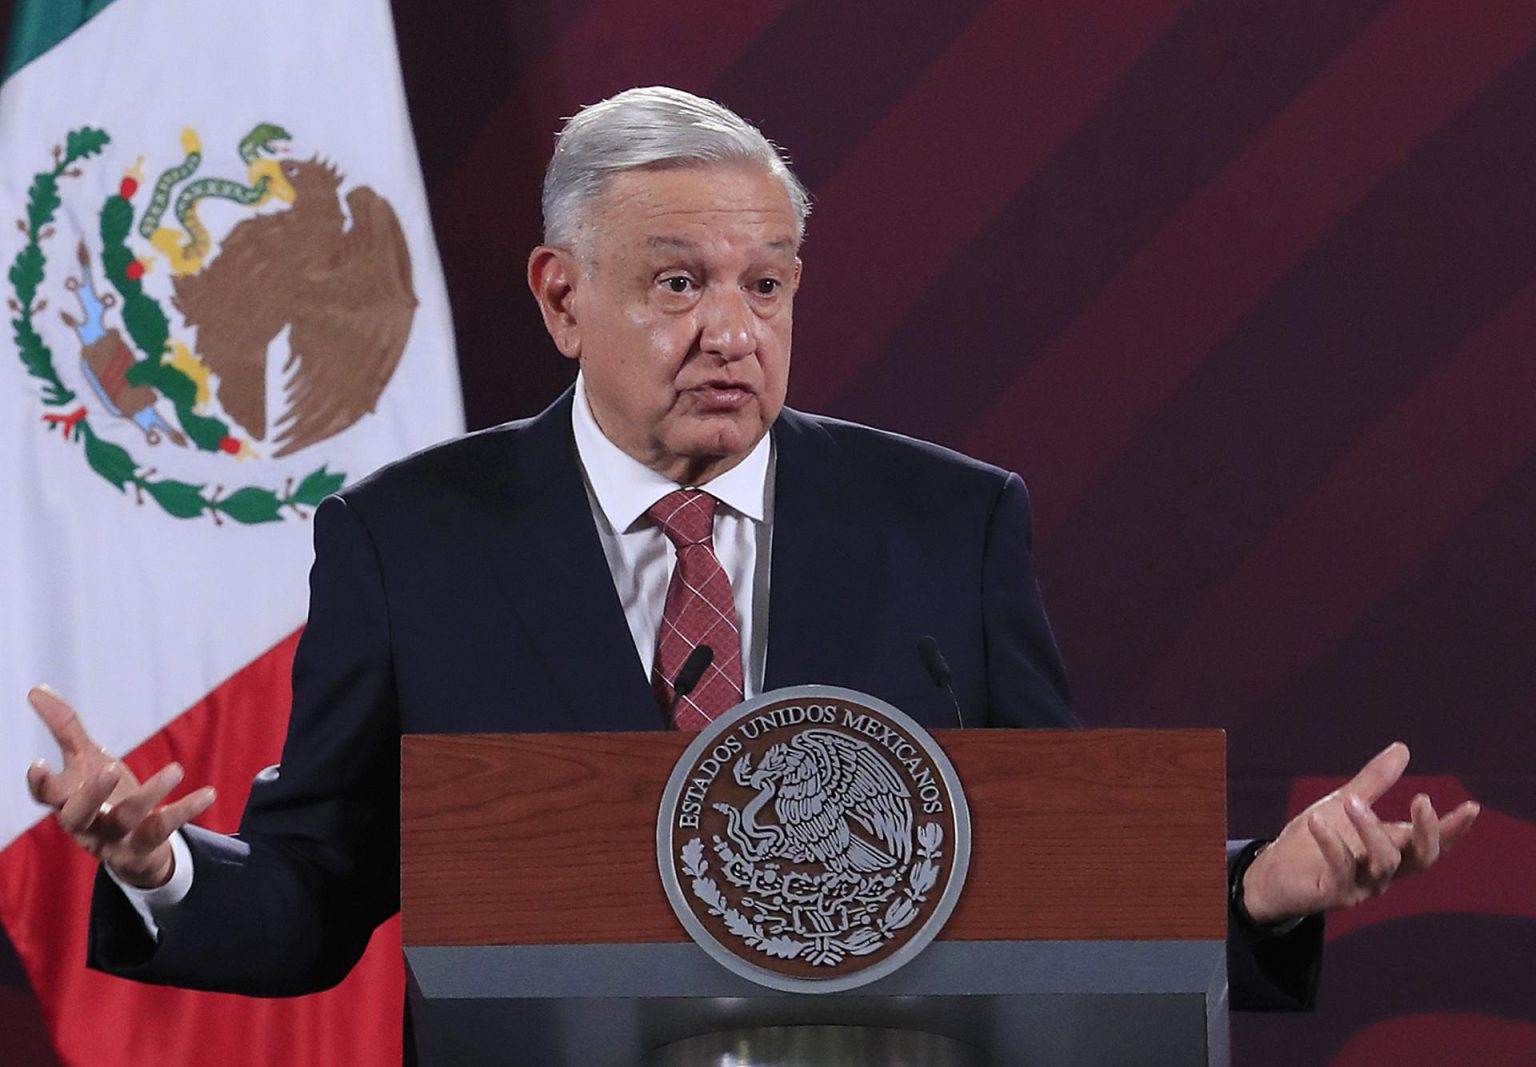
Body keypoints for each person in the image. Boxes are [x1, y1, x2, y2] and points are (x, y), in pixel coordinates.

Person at [26, 87, 1478, 1011]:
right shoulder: (408, 540)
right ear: (559, 295)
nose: (734, 328)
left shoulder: (949, 525)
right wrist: (162, 867)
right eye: (678, 282)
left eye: (765, 282)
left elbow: (1054, 876)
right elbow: (314, 900)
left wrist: (1260, 888)